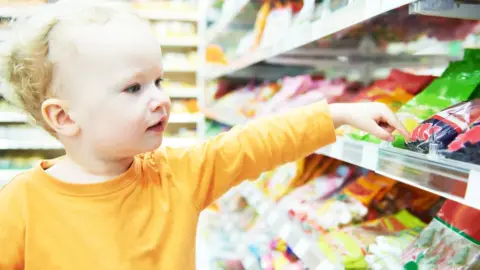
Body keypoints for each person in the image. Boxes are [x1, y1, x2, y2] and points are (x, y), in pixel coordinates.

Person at [0, 1, 409, 270]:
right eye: (133, 88)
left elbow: (256, 143)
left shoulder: (178, 176)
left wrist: (336, 113)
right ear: (64, 117)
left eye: (158, 80)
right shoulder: (20, 204)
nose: (160, 99)